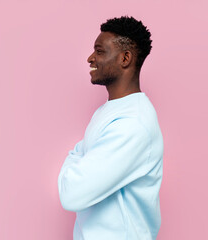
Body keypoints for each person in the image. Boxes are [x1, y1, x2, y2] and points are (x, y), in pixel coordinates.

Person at [58, 16, 164, 240]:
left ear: (125, 58)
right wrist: (80, 157)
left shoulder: (133, 124)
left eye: (100, 51)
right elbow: (80, 158)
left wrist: (77, 157)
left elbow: (71, 194)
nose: (90, 58)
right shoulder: (110, 111)